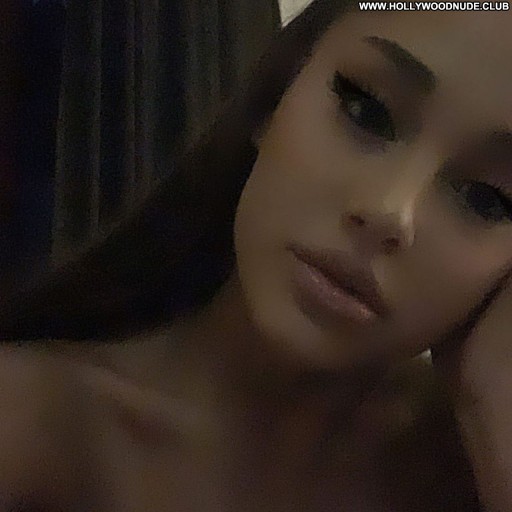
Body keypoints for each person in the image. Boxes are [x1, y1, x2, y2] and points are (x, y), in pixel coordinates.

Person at [0, 0, 512, 509]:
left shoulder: (473, 468)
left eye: (486, 198)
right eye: (366, 110)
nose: (388, 212)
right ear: (277, 92)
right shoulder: (36, 427)